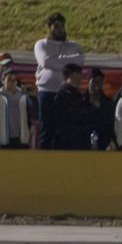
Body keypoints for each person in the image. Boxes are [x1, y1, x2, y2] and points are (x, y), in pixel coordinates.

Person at [34, 12, 86, 149]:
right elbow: (46, 62)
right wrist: (67, 61)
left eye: (62, 26)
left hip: (66, 93)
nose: (60, 29)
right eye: (56, 26)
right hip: (47, 92)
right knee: (47, 129)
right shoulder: (41, 45)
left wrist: (57, 60)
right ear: (50, 27)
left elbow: (80, 60)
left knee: (64, 129)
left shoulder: (73, 46)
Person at [49, 64, 91, 149]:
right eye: (79, 73)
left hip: (77, 140)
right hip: (68, 141)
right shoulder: (64, 95)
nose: (81, 76)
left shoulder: (76, 94)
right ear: (73, 75)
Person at [0, 68, 34, 148]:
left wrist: (32, 96)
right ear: (3, 81)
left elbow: (32, 113)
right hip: (3, 138)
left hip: (21, 137)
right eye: (9, 79)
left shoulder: (23, 95)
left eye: (14, 80)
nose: (12, 82)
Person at [85, 69, 116, 149]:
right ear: (89, 82)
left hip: (104, 143)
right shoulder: (81, 101)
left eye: (100, 82)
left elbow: (111, 124)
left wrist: (112, 141)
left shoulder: (108, 103)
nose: (97, 85)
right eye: (94, 81)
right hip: (84, 143)